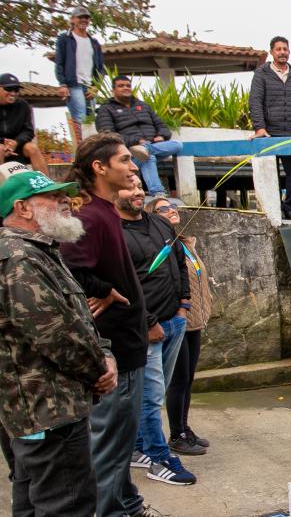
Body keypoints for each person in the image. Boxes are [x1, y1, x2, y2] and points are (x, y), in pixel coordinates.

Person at [0, 170, 117, 516]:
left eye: (63, 195)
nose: (65, 201)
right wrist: (100, 369)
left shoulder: (38, 251)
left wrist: (104, 352)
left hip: (44, 410)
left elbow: (77, 320)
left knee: (34, 501)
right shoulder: (20, 258)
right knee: (67, 504)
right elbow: (55, 333)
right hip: (49, 411)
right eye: (52, 197)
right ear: (22, 208)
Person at [60, 132, 155, 517]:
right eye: (124, 160)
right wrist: (104, 290)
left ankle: (128, 505)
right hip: (114, 350)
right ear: (99, 167)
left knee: (121, 443)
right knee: (110, 446)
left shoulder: (105, 210)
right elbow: (67, 267)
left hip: (128, 344)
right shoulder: (89, 216)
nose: (133, 167)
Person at [117, 180, 196, 485]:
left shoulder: (160, 224)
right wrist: (148, 322)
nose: (137, 191)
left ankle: (138, 447)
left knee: (155, 393)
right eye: (128, 187)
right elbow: (124, 284)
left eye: (139, 186)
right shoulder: (115, 234)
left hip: (174, 320)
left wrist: (183, 304)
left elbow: (179, 263)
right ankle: (159, 458)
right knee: (150, 397)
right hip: (145, 329)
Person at [151, 199, 212, 455]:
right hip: (179, 322)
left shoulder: (184, 243)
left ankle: (185, 427)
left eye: (172, 206)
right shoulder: (162, 246)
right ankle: (177, 433)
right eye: (163, 209)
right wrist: (179, 311)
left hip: (194, 321)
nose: (171, 210)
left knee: (188, 378)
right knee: (178, 380)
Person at [248, 36, 291, 221]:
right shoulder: (261, 74)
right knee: (272, 174)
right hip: (269, 133)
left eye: (285, 49)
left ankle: (290, 207)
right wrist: (260, 127)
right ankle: (275, 208)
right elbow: (255, 101)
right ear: (272, 52)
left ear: (289, 52)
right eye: (278, 49)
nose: (282, 52)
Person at [95, 75, 182, 199]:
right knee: (147, 157)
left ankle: (146, 149)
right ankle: (158, 193)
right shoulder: (106, 109)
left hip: (153, 145)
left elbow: (161, 125)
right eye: (121, 86)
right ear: (113, 90)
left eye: (128, 85)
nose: (125, 88)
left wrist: (161, 135)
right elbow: (108, 135)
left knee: (177, 145)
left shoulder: (143, 105)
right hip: (129, 151)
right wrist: (136, 141)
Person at [54, 6, 105, 127]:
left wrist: (96, 86)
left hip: (90, 85)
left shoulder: (94, 43)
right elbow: (59, 62)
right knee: (80, 119)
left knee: (91, 120)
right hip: (73, 84)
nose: (84, 20)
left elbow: (100, 67)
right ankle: (80, 139)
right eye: (80, 17)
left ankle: (90, 140)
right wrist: (62, 84)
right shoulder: (64, 39)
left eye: (86, 18)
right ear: (72, 19)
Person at [0, 73, 49, 175]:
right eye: (8, 89)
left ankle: (47, 183)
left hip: (17, 145)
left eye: (16, 90)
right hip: (2, 146)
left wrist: (16, 142)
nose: (13, 93)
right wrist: (4, 142)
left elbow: (28, 130)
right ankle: (2, 184)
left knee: (32, 148)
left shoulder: (23, 105)